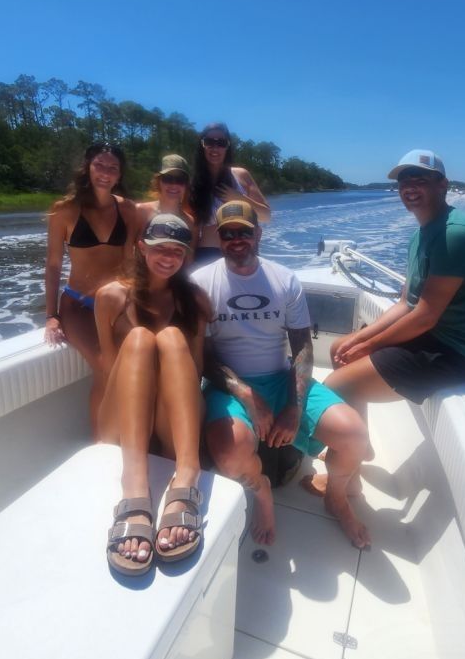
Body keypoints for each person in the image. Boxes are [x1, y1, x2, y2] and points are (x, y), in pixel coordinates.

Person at [307, 150, 465, 494]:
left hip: (453, 350)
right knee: (339, 347)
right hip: (430, 335)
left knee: (336, 385)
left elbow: (425, 314)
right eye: (404, 181)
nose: (409, 187)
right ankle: (359, 448)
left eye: (420, 179)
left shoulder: (455, 233)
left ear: (443, 185)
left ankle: (345, 486)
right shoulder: (422, 234)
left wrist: (368, 344)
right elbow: (404, 304)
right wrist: (356, 342)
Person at [191, 201, 371, 550]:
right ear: (219, 237)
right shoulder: (200, 284)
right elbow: (203, 357)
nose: (236, 239)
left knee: (354, 435)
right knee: (231, 457)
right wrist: (245, 393)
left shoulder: (284, 280)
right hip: (229, 386)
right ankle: (262, 496)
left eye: (244, 231)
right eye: (228, 233)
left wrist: (294, 406)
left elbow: (302, 347)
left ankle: (336, 497)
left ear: (258, 233)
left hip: (281, 378)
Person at [95, 214, 212, 575]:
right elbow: (109, 370)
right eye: (160, 248)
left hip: (169, 421)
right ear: (141, 248)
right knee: (141, 338)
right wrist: (97, 434)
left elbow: (195, 371)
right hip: (124, 418)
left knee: (172, 337)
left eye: (178, 251)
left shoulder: (192, 300)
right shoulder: (111, 297)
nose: (169, 257)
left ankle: (187, 473)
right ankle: (134, 485)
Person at [45, 143, 140, 437]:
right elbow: (53, 266)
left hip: (115, 304)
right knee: (105, 366)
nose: (106, 173)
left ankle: (135, 437)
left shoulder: (127, 209)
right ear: (88, 166)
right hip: (78, 305)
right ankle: (102, 444)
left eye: (113, 168)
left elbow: (130, 262)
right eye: (100, 165)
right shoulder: (65, 211)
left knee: (140, 362)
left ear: (120, 173)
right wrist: (51, 316)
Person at [190, 122, 271, 267]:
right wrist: (189, 265)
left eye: (221, 143)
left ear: (227, 147)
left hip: (242, 251)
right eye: (209, 142)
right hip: (207, 255)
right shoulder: (195, 185)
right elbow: (193, 230)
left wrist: (239, 198)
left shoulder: (241, 175)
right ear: (202, 145)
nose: (215, 148)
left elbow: (266, 216)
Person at [136, 154, 198, 256]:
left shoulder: (190, 222)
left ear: (186, 185)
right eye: (168, 178)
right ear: (159, 181)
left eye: (180, 180)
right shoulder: (140, 211)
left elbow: (188, 259)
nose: (174, 185)